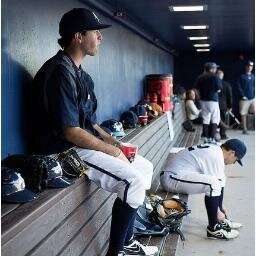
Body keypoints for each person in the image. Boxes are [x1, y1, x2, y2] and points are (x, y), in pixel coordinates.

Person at [32, 8, 158, 256]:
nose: (100, 37)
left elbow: (88, 122)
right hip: (63, 152)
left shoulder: (80, 74)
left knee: (144, 169)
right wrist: (110, 150)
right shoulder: (60, 72)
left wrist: (112, 141)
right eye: (96, 32)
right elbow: (71, 131)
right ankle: (117, 252)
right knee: (132, 181)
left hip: (80, 146)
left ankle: (128, 242)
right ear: (78, 36)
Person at [160, 139, 247, 240]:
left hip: (178, 175)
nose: (234, 163)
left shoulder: (216, 151)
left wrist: (220, 207)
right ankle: (214, 229)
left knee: (219, 179)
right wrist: (217, 212)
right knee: (213, 184)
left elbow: (220, 181)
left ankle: (221, 221)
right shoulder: (215, 155)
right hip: (171, 178)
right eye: (236, 159)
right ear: (232, 153)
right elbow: (214, 186)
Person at [194, 62, 222, 143]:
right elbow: (219, 89)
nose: (216, 69)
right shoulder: (215, 76)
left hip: (203, 100)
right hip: (213, 100)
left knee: (206, 118)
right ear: (211, 69)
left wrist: (199, 96)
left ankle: (206, 138)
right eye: (215, 68)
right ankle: (212, 138)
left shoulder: (200, 77)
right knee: (215, 118)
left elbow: (195, 88)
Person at [237, 61, 255, 134]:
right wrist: (242, 95)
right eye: (248, 66)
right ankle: (244, 129)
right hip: (244, 99)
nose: (250, 68)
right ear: (246, 67)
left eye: (251, 66)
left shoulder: (253, 76)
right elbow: (239, 87)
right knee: (244, 113)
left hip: (253, 98)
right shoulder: (242, 76)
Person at [216, 70, 233, 139]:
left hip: (214, 104)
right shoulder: (226, 84)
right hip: (223, 106)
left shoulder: (213, 84)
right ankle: (223, 135)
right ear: (222, 76)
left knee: (214, 120)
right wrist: (230, 106)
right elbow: (230, 96)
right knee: (223, 120)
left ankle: (212, 136)